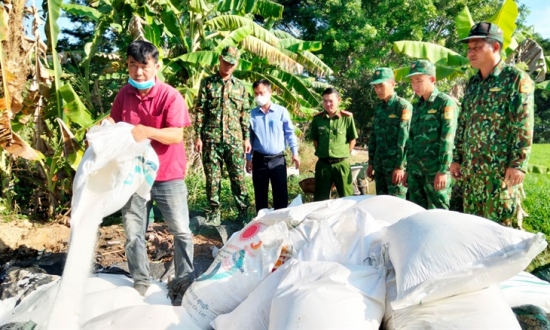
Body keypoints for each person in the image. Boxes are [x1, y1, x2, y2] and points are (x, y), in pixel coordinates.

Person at [109, 40, 194, 304]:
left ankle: (185, 282)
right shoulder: (124, 94)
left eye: (144, 66)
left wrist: (148, 131)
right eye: (133, 66)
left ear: (156, 66)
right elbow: (115, 121)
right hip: (134, 175)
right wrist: (106, 125)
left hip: (168, 174)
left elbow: (176, 134)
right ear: (127, 65)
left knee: (180, 230)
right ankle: (141, 282)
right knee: (134, 231)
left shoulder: (170, 96)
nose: (138, 72)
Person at [451, 22, 534, 227]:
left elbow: (523, 124)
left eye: (477, 47)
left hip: (499, 173)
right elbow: (463, 124)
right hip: (472, 174)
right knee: (475, 229)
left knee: (501, 230)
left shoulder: (515, 79)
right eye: (469, 48)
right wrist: (457, 158)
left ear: (495, 47)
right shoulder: (473, 84)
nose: (470, 53)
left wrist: (518, 164)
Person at [194, 46, 251, 226]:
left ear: (236, 65)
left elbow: (245, 114)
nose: (228, 66)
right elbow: (200, 111)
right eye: (225, 62)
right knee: (212, 178)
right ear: (220, 59)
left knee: (238, 178)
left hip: (234, 140)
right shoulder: (208, 83)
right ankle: (214, 213)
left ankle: (243, 213)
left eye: (232, 64)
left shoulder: (241, 87)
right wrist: (197, 136)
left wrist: (246, 138)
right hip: (211, 138)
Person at [405, 60, 458, 209]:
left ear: (432, 79)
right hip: (416, 172)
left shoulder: (445, 103)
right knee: (416, 214)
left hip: (434, 171)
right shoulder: (416, 106)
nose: (415, 85)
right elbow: (411, 139)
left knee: (438, 215)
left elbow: (448, 138)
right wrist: (408, 170)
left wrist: (443, 170)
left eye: (419, 81)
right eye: (412, 81)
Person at [245, 79, 300, 213]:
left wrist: (295, 152)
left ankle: (281, 225)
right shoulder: (251, 114)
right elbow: (249, 138)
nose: (259, 96)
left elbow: (290, 133)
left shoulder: (281, 112)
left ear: (270, 92)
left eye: (262, 93)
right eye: (256, 93)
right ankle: (262, 226)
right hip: (259, 160)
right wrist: (248, 158)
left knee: (281, 194)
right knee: (260, 195)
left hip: (277, 160)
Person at [367, 68, 412, 198]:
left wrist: (400, 167)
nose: (378, 90)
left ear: (392, 84)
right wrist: (371, 163)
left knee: (397, 205)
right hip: (380, 166)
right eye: (375, 87)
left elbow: (404, 138)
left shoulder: (402, 106)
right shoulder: (379, 108)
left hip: (394, 168)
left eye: (381, 85)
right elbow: (374, 137)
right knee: (382, 204)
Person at [309, 88, 358, 201]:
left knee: (347, 198)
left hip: (341, 164)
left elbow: (352, 140)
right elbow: (315, 140)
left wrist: (344, 153)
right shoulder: (317, 119)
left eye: (331, 101)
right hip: (323, 165)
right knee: (320, 200)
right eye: (325, 101)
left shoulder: (347, 118)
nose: (327, 104)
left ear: (339, 100)